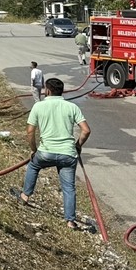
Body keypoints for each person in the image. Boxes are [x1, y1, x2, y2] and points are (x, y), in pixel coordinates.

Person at [18, 77, 91, 229]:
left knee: (33, 166)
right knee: (69, 187)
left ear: (48, 91)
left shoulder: (39, 106)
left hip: (46, 153)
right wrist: (78, 145)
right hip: (68, 155)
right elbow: (86, 130)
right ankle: (70, 221)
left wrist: (33, 150)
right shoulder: (71, 107)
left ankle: (25, 196)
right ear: (61, 91)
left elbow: (30, 131)